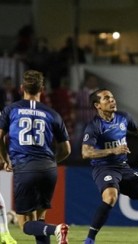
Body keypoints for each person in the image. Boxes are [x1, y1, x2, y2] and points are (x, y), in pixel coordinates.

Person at [82, 89, 138, 244]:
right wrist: (113, 150)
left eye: (112, 97)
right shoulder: (94, 126)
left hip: (124, 168)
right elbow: (86, 153)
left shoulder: (123, 118)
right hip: (104, 168)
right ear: (97, 105)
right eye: (106, 98)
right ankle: (90, 240)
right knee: (111, 197)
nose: (112, 100)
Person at [0, 70, 71, 244]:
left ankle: (56, 229)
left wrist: (4, 159)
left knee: (25, 224)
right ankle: (52, 230)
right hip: (48, 169)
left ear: (21, 88)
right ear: (42, 89)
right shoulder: (53, 114)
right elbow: (66, 149)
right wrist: (50, 163)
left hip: (24, 168)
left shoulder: (12, 110)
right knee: (40, 220)